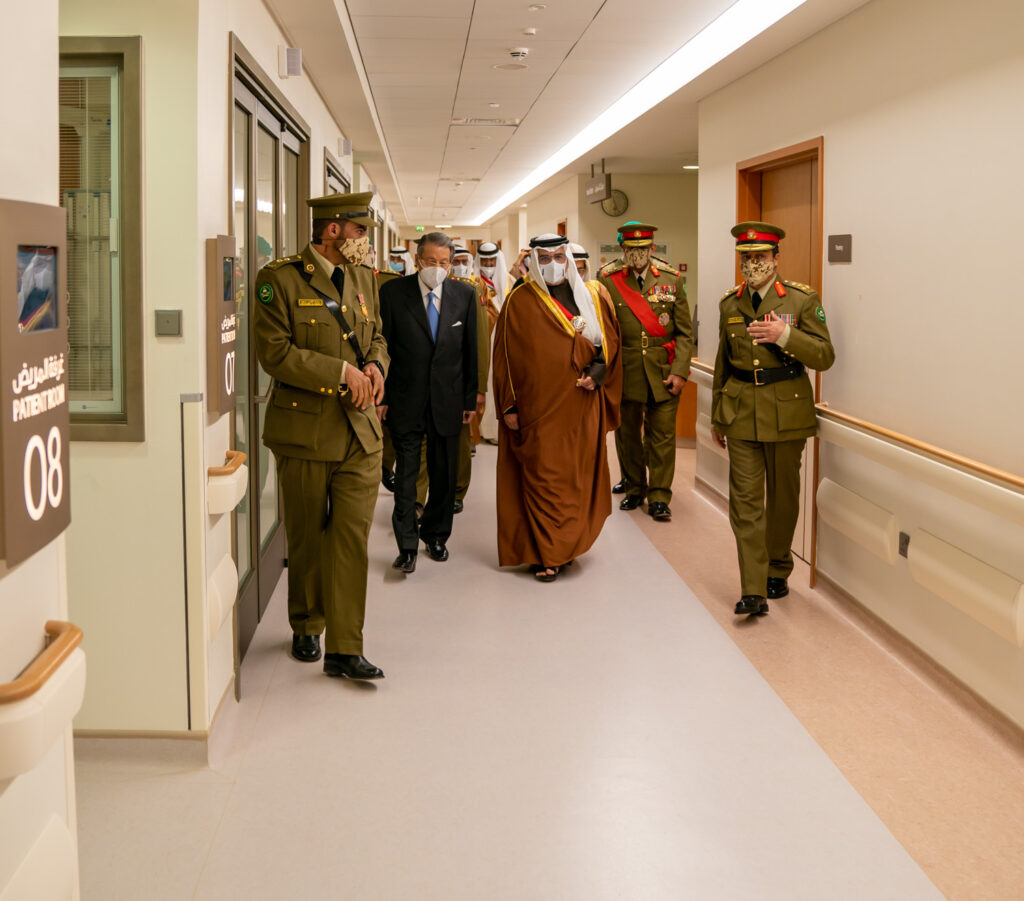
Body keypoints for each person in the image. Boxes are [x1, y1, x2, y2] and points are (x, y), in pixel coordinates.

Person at [253, 191, 388, 681]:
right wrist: (339, 372)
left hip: (360, 432)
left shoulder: (363, 278)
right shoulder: (279, 280)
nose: (365, 241)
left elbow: (377, 336)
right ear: (333, 230)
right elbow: (275, 354)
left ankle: (346, 648)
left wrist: (375, 365)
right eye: (359, 231)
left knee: (351, 539)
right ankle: (308, 624)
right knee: (309, 534)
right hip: (305, 432)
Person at [711, 221, 835, 616]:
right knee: (745, 502)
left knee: (783, 499)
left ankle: (777, 567)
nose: (753, 264)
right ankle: (753, 589)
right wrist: (717, 415)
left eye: (761, 256)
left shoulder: (801, 300)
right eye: (746, 257)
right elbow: (723, 363)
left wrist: (785, 335)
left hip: (786, 412)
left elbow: (824, 356)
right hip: (740, 412)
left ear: (776, 259)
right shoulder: (729, 303)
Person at [493, 234, 622, 581]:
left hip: (582, 408)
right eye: (545, 258)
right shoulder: (520, 299)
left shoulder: (588, 295)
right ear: (534, 261)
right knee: (544, 477)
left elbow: (606, 345)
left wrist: (596, 375)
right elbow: (504, 357)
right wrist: (508, 405)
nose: (553, 264)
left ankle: (565, 547)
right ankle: (547, 553)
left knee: (575, 479)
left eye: (559, 257)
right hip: (538, 410)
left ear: (567, 258)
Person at [378, 232, 479, 574]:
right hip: (405, 400)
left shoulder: (464, 295)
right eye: (431, 261)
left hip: (448, 401)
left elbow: (470, 351)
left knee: (443, 476)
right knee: (406, 479)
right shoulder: (393, 293)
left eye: (444, 262)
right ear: (418, 259)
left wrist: (469, 398)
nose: (438, 268)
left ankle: (436, 535)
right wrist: (383, 396)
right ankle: (406, 546)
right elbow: (383, 348)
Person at [598, 222, 693, 521]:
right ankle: (635, 488)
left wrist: (680, 371)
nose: (637, 253)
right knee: (627, 434)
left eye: (642, 248)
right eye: (631, 248)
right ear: (622, 248)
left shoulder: (671, 279)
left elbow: (684, 333)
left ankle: (660, 496)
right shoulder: (607, 279)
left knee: (662, 436)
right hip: (625, 370)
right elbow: (602, 329)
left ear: (652, 248)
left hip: (663, 370)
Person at [448, 246, 491, 513]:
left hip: (460, 378)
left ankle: (457, 492)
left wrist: (479, 385)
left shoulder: (473, 289)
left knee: (460, 439)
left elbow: (479, 341)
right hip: (427, 380)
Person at [474, 241, 507, 445]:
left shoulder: (509, 281)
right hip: (480, 342)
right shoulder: (473, 282)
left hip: (502, 343)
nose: (487, 264)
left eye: (491, 260)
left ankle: (496, 430)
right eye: (484, 260)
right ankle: (479, 430)